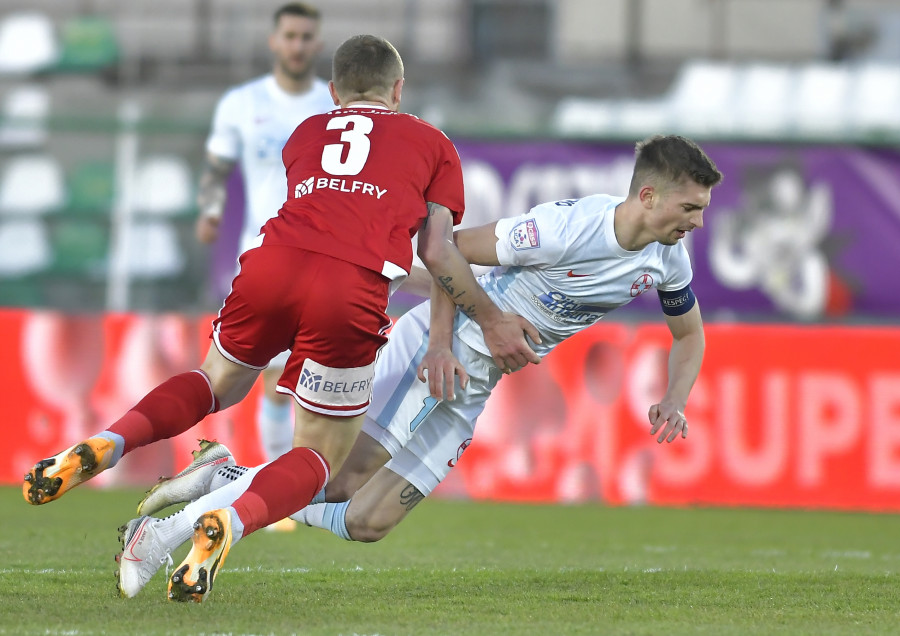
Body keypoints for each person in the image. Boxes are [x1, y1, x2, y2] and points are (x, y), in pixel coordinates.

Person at [23, 34, 542, 604]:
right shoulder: (434, 144)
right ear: (398, 89)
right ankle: (231, 521)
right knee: (320, 458)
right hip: (349, 291)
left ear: (333, 91)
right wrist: (490, 316)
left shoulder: (306, 134)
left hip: (273, 265)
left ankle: (107, 441)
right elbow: (441, 253)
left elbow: (328, 219)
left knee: (212, 383)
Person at [113, 134, 723, 598]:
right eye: (690, 208)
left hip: (476, 386)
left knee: (367, 520)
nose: (697, 221)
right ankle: (162, 536)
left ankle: (225, 479)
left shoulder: (669, 259)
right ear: (648, 196)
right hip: (444, 354)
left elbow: (689, 333)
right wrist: (437, 344)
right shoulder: (566, 229)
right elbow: (443, 251)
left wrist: (675, 397)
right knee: (340, 477)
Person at [197, 3, 335, 513]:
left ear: (317, 45)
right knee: (275, 382)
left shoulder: (332, 104)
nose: (298, 45)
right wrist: (210, 211)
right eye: (290, 36)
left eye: (306, 37)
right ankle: (279, 498)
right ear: (274, 41)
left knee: (309, 383)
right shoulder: (241, 103)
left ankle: (282, 491)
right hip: (262, 257)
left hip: (323, 258)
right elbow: (217, 166)